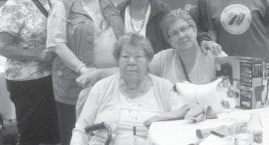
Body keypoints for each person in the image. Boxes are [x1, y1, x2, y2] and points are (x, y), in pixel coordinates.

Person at [46, 0, 124, 145]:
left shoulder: (108, 1)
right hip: (74, 84)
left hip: (108, 81)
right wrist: (83, 69)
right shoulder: (63, 5)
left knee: (103, 133)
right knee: (74, 134)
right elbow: (56, 44)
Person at [70, 33, 203, 145]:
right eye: (125, 57)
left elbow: (183, 122)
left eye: (138, 56)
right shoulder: (101, 87)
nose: (131, 61)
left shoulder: (164, 87)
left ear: (148, 60)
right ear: (117, 60)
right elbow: (81, 129)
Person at [0, 0, 60, 145]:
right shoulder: (15, 5)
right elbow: (2, 46)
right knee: (31, 134)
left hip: (53, 76)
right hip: (26, 82)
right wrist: (37, 55)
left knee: (53, 132)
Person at [150, 9, 218, 85]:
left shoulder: (215, 55)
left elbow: (230, 91)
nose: (181, 36)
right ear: (169, 41)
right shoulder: (162, 60)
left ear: (194, 30)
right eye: (174, 33)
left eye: (184, 29)